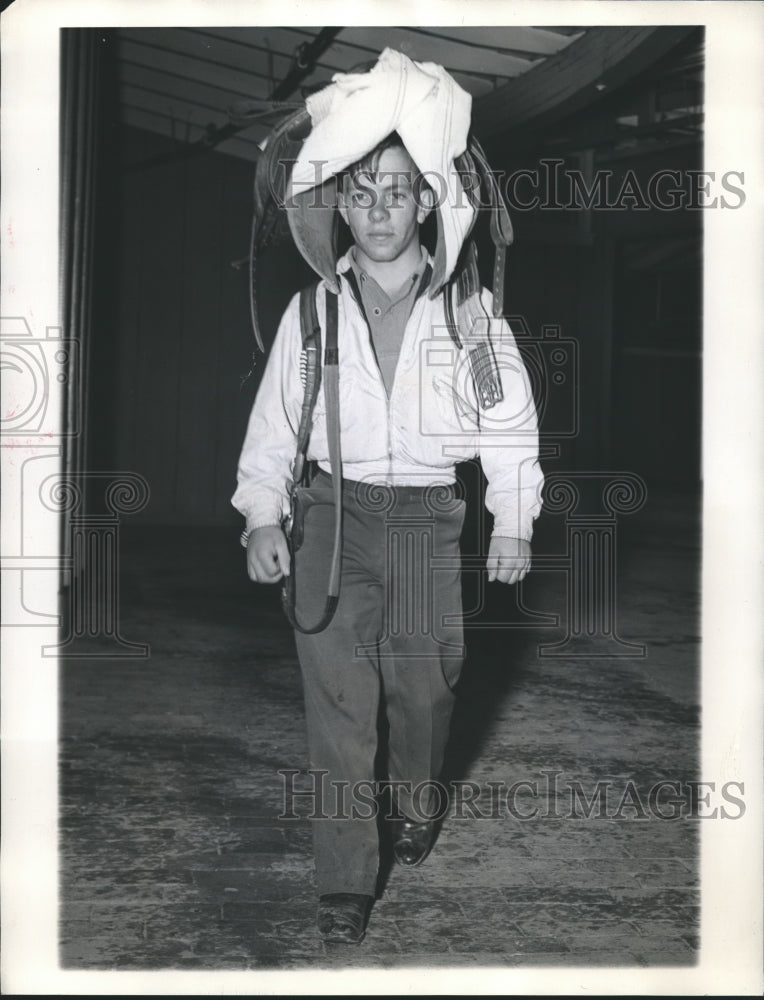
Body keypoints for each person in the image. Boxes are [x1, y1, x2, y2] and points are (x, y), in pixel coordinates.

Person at [233, 58, 543, 945]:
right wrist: (262, 512)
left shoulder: (472, 317)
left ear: (425, 205)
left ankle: (417, 798)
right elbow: (273, 423)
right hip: (331, 514)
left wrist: (513, 516)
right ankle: (343, 883)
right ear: (340, 204)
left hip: (427, 522)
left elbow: (510, 424)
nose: (377, 209)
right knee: (337, 709)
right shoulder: (312, 314)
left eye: (398, 192)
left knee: (428, 690)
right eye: (362, 190)